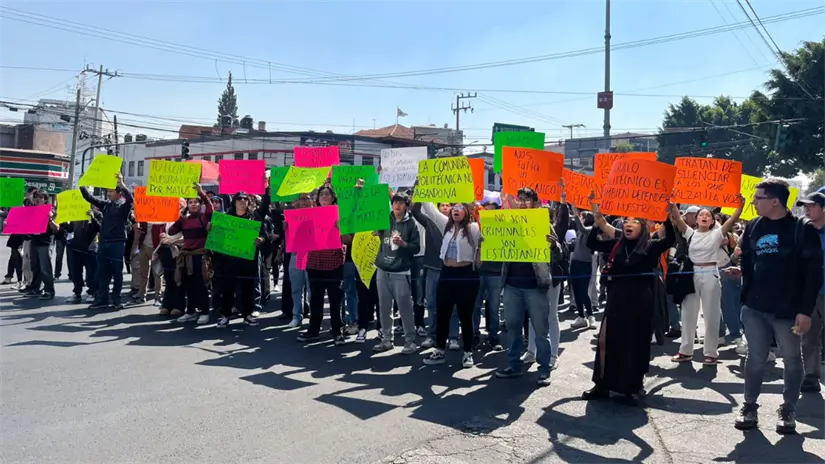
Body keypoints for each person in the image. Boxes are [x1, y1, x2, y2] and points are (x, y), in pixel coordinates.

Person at [725, 179, 823, 433]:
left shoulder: (802, 229)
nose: (754, 203)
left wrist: (805, 310)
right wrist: (742, 275)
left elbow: (813, 274)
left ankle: (788, 408)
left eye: (758, 198)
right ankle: (749, 405)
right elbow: (748, 257)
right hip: (755, 308)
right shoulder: (754, 225)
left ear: (775, 201)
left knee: (791, 359)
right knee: (755, 358)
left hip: (788, 310)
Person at [582, 200, 676, 405]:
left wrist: (666, 216)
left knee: (634, 345)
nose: (628, 224)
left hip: (639, 303)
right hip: (615, 301)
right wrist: (597, 223)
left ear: (643, 226)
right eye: (626, 220)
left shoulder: (650, 246)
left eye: (634, 221)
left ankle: (632, 387)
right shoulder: (617, 244)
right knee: (606, 342)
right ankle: (601, 384)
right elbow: (592, 244)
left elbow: (669, 239)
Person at [670, 197, 744, 365]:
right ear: (696, 219)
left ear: (712, 220)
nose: (704, 217)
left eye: (707, 215)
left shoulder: (717, 233)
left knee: (711, 315)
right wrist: (673, 203)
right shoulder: (690, 233)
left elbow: (732, 219)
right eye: (701, 214)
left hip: (711, 273)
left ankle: (710, 352)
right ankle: (685, 350)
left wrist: (739, 207)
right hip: (692, 273)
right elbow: (678, 219)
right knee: (688, 313)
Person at [419, 201, 481, 367]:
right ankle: (440, 349)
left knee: (465, 315)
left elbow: (487, 235)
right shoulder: (445, 225)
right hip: (446, 273)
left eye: (460, 207)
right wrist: (422, 186)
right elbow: (430, 210)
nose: (455, 210)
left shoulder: (473, 228)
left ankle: (468, 352)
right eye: (454, 207)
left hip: (466, 275)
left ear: (467, 211)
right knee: (443, 313)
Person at [371, 189, 421, 354]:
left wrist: (404, 244)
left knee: (405, 307)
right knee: (384, 306)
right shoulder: (384, 219)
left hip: (401, 271)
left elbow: (416, 248)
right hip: (382, 269)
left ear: (406, 206)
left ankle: (410, 341)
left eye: (400, 203)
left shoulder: (411, 224)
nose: (397, 205)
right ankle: (386, 339)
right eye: (395, 202)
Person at [212, 185, 270, 328]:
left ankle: (247, 315)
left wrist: (261, 240)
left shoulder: (254, 217)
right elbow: (218, 235)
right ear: (234, 201)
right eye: (239, 198)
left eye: (245, 198)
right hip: (229, 260)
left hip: (247, 260)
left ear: (248, 202)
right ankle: (225, 315)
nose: (242, 201)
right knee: (227, 290)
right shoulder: (226, 217)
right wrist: (211, 229)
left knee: (247, 289)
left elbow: (263, 234)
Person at [297, 184, 348, 343]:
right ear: (317, 199)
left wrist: (342, 229)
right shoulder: (310, 215)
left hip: (334, 262)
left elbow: (347, 240)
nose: (324, 197)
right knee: (315, 299)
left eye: (327, 194)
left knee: (335, 299)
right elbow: (301, 235)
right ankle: (313, 329)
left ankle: (337, 330)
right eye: (322, 195)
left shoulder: (340, 214)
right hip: (314, 263)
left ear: (333, 198)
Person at [81, 173, 133, 309]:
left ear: (118, 193)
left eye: (111, 191)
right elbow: (89, 198)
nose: (108, 194)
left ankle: (116, 300)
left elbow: (131, 200)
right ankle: (102, 299)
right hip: (104, 243)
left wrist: (122, 184)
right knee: (102, 272)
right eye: (107, 191)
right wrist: (82, 184)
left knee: (117, 272)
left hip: (117, 243)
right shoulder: (106, 206)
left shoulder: (123, 207)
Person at [166, 183, 212, 324]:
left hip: (200, 256)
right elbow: (171, 231)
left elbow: (210, 207)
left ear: (200, 205)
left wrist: (201, 192)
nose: (193, 205)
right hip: (187, 257)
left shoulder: (203, 218)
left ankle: (205, 312)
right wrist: (179, 216)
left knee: (202, 284)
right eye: (190, 202)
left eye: (195, 202)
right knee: (189, 285)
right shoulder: (184, 220)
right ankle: (190, 311)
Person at [796, 191, 825, 394]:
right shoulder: (802, 232)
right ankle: (811, 376)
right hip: (810, 293)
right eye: (804, 206)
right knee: (808, 336)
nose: (806, 209)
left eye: (811, 205)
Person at [27, 190, 59, 300]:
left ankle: (49, 291)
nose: (37, 199)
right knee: (35, 267)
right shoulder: (32, 211)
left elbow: (56, 228)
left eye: (40, 197)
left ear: (45, 199)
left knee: (45, 268)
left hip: (45, 243)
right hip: (35, 241)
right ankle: (35, 289)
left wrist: (50, 218)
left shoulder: (51, 211)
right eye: (35, 197)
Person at [569, 206, 597, 329]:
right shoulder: (580, 232)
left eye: (582, 217)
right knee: (576, 290)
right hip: (575, 262)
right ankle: (581, 317)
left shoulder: (590, 230)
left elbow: (581, 227)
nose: (580, 218)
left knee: (583, 291)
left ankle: (590, 316)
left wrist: (575, 211)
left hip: (585, 263)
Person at [65, 211, 101, 304]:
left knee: (91, 273)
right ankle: (77, 293)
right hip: (76, 248)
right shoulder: (76, 213)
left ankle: (92, 292)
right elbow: (70, 229)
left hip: (90, 249)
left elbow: (100, 228)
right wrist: (62, 220)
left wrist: (93, 218)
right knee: (75, 273)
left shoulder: (97, 214)